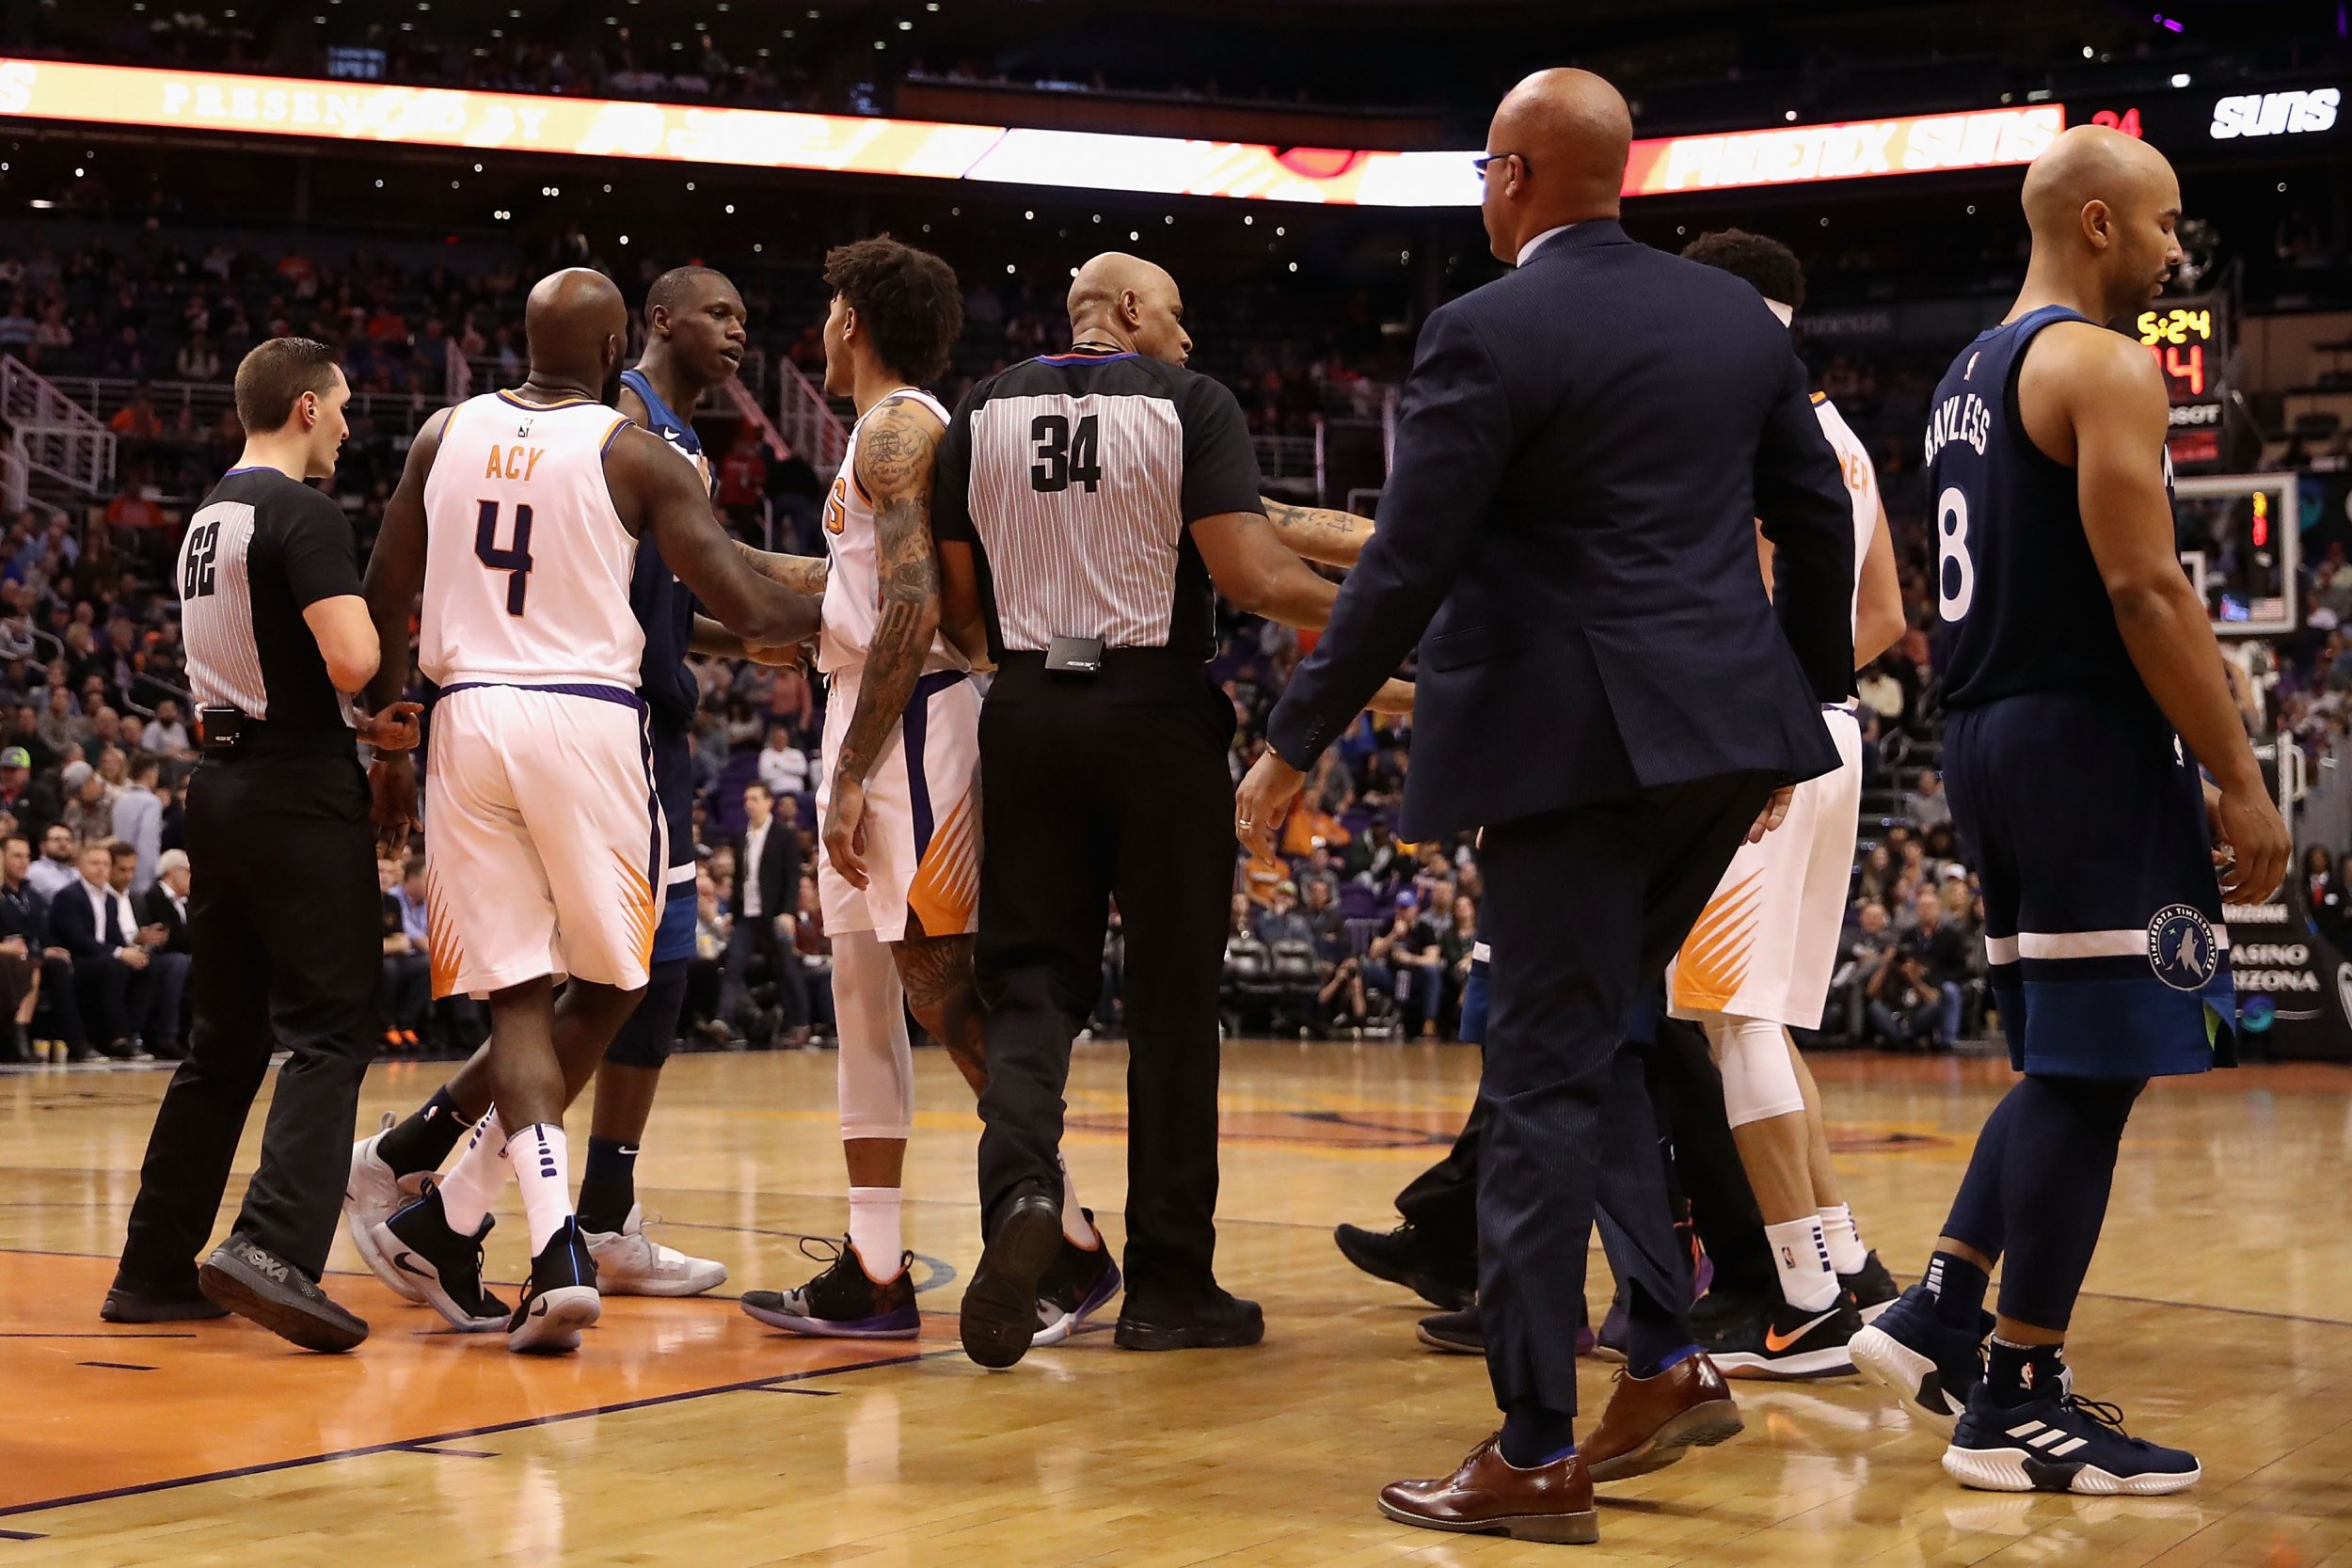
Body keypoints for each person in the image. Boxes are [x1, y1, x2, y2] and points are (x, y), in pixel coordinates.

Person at [1234, 69, 1855, 1544]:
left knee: (1532, 1082)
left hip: (1576, 752)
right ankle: (1659, 1355)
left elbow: (1406, 563)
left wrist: (1292, 740)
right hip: (1720, 733)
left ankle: (1531, 1444)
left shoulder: (1484, 328)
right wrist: (1802, 705)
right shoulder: (1727, 317)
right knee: (1613, 1040)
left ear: (1511, 175)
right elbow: (1814, 513)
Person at [1849, 125, 2288, 1496]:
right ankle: (2018, 1390)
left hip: (1987, 738)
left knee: (2064, 1053)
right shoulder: (2102, 362)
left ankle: (1943, 1303)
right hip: (2085, 741)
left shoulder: (1961, 378)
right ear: (2096, 223)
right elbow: (2147, 591)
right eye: (2160, 227)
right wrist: (2239, 770)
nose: (2173, 253)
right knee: (2101, 1067)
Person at [941, 251, 1406, 1371]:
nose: (1191, 341)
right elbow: (1252, 577)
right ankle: (1168, 1284)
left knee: (1030, 979)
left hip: (1025, 709)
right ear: (1135, 311)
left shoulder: (979, 408)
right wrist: (1381, 641)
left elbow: (960, 609)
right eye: (1183, 316)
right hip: (1154, 709)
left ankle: (1021, 1194)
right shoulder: (1190, 402)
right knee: (1170, 999)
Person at [357, 269, 816, 1355]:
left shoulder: (443, 431)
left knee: (519, 998)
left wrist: (386, 717)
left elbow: (382, 582)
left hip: (465, 720)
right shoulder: (631, 451)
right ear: (619, 339)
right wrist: (877, 605)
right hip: (589, 723)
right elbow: (748, 607)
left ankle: (489, 1227)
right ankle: (523, 1227)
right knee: (622, 979)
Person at [739, 236, 1125, 1347]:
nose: (819, 326)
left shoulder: (901, 426)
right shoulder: (893, 433)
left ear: (851, 320)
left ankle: (1067, 1239)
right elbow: (861, 593)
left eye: (826, 307)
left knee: (945, 988)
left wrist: (856, 769)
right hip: (872, 708)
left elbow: (909, 609)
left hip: (913, 724)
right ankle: (871, 1264)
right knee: (866, 995)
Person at [106, 338, 421, 1353]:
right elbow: (351, 652)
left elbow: (269, 665)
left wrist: (347, 728)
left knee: (225, 1041)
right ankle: (274, 1247)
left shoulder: (209, 514)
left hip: (223, 784)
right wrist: (367, 686)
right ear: (300, 408)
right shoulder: (305, 510)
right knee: (332, 1025)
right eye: (335, 408)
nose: (343, 426)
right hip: (293, 795)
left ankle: (153, 1269)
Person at [1652, 229, 1907, 1378]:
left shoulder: (1738, 415)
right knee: (1763, 1016)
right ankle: (1842, 1259)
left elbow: (1747, 589)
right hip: (1836, 727)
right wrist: (1811, 695)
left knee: (1728, 1018)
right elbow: (1884, 618)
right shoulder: (1839, 430)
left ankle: (1799, 1298)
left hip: (1761, 743)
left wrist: (1752, 720)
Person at [125, 841, 189, 1058]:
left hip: (180, 956)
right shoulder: (151, 896)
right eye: (190, 872)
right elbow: (163, 935)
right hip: (156, 955)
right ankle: (166, 1036)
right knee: (178, 963)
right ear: (175, 872)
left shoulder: (188, 902)